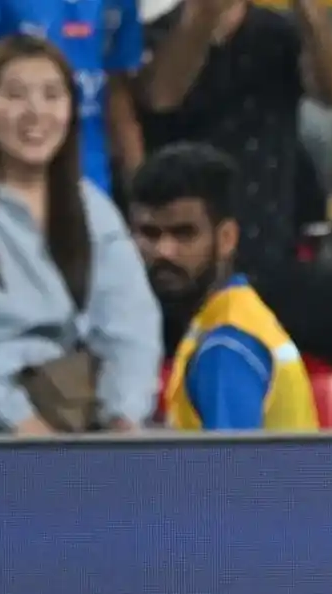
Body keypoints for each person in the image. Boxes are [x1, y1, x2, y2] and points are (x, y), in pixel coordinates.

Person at [0, 36, 160, 433]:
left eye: (51, 95)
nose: (35, 112)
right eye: (15, 95)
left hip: (68, 418)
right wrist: (14, 415)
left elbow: (131, 327)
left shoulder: (93, 210)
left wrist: (122, 416)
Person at [137, 0, 332, 275]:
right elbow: (162, 97)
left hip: (271, 249)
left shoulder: (280, 33)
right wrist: (205, 16)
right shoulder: (156, 33)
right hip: (184, 259)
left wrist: (308, 9)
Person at [129, 142, 316, 431]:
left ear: (227, 238)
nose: (164, 251)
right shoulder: (229, 318)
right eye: (149, 234)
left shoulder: (226, 347)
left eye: (184, 234)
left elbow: (227, 474)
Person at [0, 0, 144, 192]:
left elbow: (119, 100)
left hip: (91, 183)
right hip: (11, 185)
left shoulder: (121, 4)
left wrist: (141, 194)